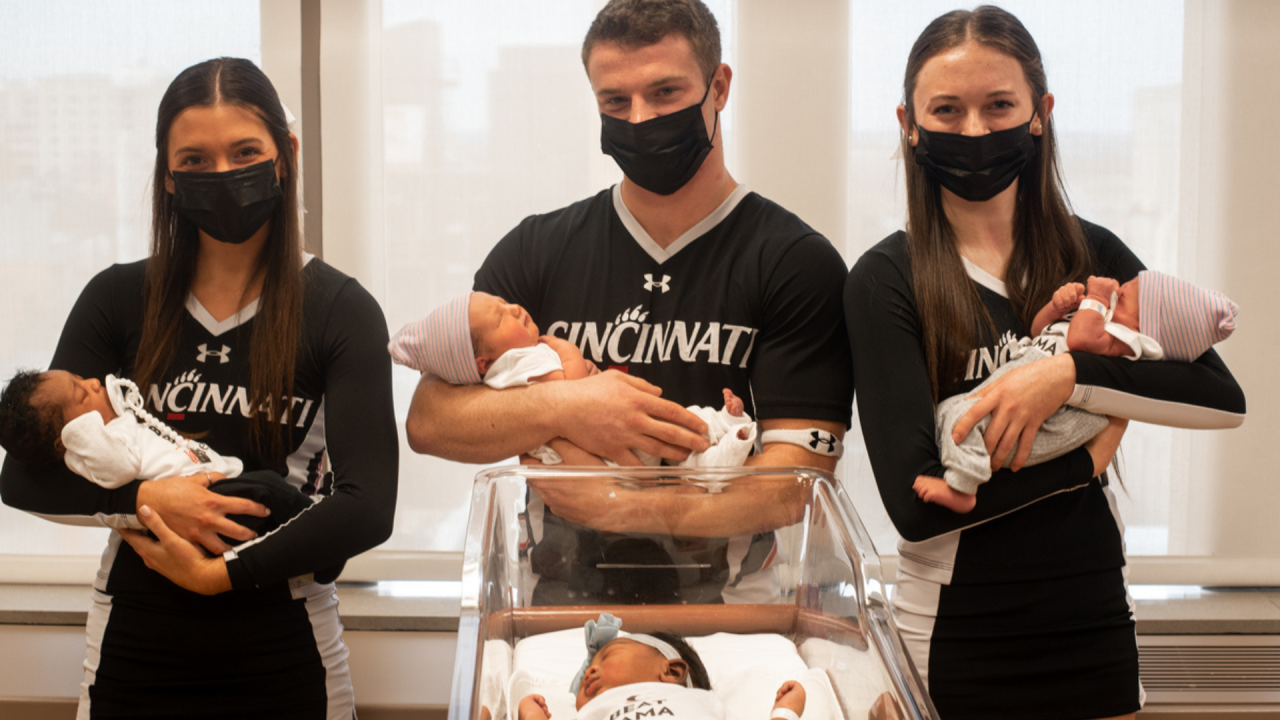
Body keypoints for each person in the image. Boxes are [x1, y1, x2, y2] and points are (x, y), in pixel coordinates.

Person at [843, 7, 1245, 720]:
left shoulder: (1096, 260)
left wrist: (1068, 376)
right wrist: (1083, 468)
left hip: (1091, 618)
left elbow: (1220, 398)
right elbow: (916, 508)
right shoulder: (885, 280)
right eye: (947, 109)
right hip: (954, 634)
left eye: (999, 105)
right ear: (909, 123)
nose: (973, 131)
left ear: (1040, 113)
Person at [404, 0, 852, 604]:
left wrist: (621, 505)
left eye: (665, 93)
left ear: (719, 87)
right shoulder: (538, 248)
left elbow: (795, 485)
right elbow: (430, 421)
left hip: (739, 622)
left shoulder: (795, 261)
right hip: (559, 617)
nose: (640, 119)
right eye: (616, 102)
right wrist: (572, 405)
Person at [0, 58, 398, 719]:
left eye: (244, 151)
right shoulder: (116, 298)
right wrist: (150, 496)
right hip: (133, 648)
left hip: (286, 651)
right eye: (195, 158)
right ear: (167, 174)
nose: (223, 174)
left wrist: (221, 575)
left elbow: (367, 508)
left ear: (284, 155)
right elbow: (23, 478)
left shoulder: (339, 308)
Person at [920, 271, 1240, 513]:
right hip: (1023, 386)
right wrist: (1058, 307)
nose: (1116, 291)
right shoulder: (1105, 319)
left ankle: (963, 488)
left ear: (1147, 330)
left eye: (1125, 298)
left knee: (963, 418)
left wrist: (1096, 297)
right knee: (950, 409)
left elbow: (1080, 343)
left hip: (1059, 418)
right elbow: (1037, 330)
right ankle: (963, 473)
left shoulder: (1130, 343)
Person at [388, 291, 756, 468]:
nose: (513, 308)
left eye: (503, 303)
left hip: (612, 449)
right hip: (604, 457)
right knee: (686, 445)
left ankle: (729, 428)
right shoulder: (518, 363)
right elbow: (575, 395)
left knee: (686, 438)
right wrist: (568, 352)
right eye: (501, 319)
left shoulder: (517, 356)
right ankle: (730, 435)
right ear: (483, 363)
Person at [0, 370, 315, 541]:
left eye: (81, 378)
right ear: (71, 436)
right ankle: (317, 536)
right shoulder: (94, 450)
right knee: (272, 489)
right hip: (206, 499)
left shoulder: (112, 428)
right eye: (83, 393)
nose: (94, 383)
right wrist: (82, 431)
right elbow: (120, 469)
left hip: (213, 485)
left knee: (267, 508)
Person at [517, 614, 807, 720]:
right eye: (588, 669)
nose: (588, 672)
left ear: (672, 672)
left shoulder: (702, 703)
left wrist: (784, 711)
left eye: (607, 656)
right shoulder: (593, 712)